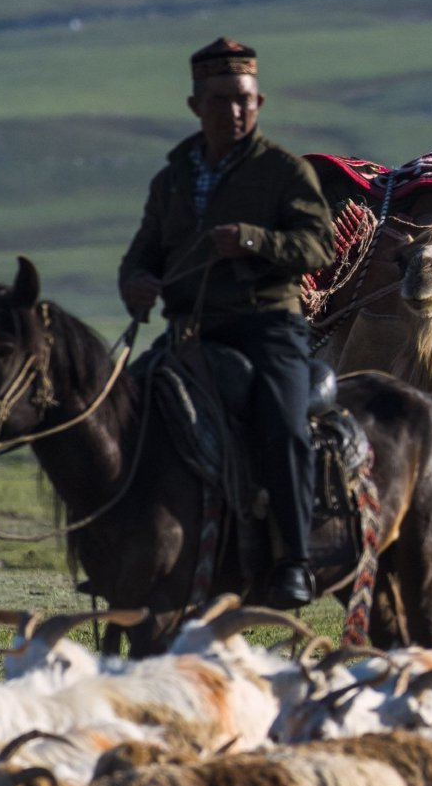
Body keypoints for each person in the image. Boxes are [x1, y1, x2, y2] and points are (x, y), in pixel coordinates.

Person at [118, 38, 336, 608]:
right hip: (189, 331)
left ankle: (293, 560)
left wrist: (252, 241)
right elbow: (142, 253)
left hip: (267, 328)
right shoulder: (171, 180)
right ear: (196, 106)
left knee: (285, 427)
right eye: (221, 101)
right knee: (124, 414)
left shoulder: (283, 172)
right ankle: (125, 548)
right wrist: (136, 283)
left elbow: (320, 246)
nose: (234, 112)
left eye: (244, 101)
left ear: (259, 101)